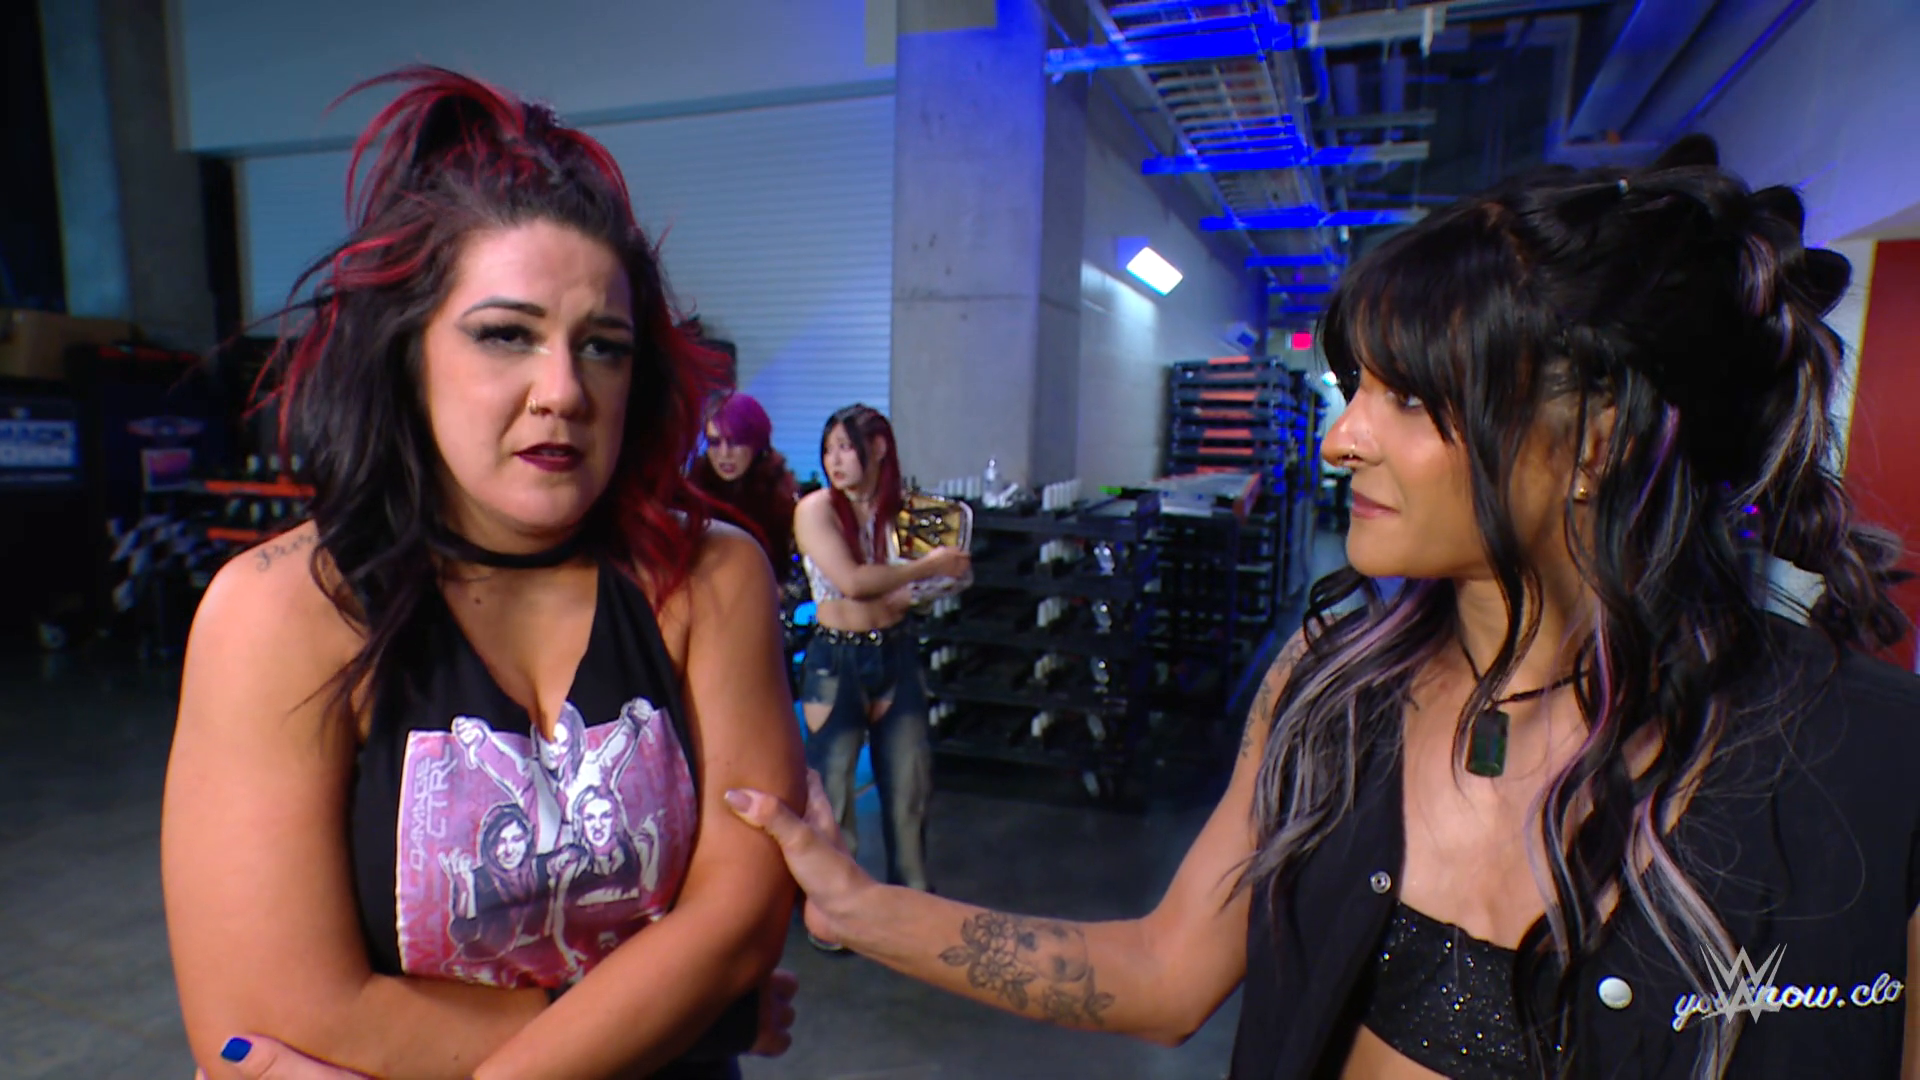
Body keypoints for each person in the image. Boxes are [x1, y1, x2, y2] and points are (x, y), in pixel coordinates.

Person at [726, 137, 1920, 1078]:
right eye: (1357, 389)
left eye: (1410, 398)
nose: (1343, 438)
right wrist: (860, 907)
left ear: (1595, 437)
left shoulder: (1873, 766)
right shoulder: (1334, 690)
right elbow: (1164, 972)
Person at [161, 67, 805, 1080]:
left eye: (603, 347)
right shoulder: (281, 613)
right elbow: (270, 1017)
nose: (564, 391)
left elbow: (740, 920)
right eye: (506, 335)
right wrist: (686, 1023)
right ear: (407, 350)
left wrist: (702, 997)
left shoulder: (712, 579)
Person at [792, 404, 970, 911]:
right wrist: (928, 567)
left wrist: (939, 576)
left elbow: (952, 575)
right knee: (832, 793)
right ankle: (834, 911)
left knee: (910, 786)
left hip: (896, 650)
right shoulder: (815, 509)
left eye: (845, 448)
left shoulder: (905, 510)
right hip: (836, 659)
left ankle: (910, 903)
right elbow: (852, 581)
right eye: (828, 450)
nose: (834, 461)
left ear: (878, 448)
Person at [688, 392, 799, 576]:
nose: (724, 454)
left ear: (757, 443)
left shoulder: (782, 498)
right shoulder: (691, 494)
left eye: (735, 442)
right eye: (714, 442)